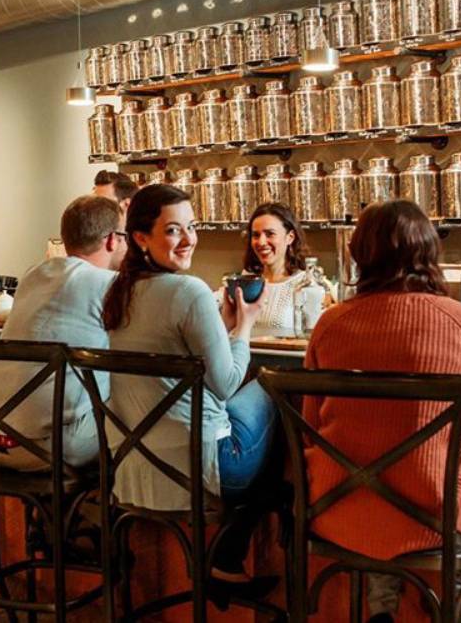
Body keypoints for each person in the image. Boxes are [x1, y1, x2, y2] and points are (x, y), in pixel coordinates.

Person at [301, 200, 461, 622]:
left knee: (371, 473)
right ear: (430, 251)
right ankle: (451, 598)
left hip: (335, 512)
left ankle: (381, 609)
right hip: (433, 520)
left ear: (360, 254)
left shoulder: (330, 324)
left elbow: (310, 425)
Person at [102, 184, 280, 606]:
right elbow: (226, 382)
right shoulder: (189, 292)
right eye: (173, 231)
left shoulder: (117, 291)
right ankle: (233, 550)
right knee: (275, 388)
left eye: (192, 227)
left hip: (133, 471)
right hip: (201, 473)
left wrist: (222, 329)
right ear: (141, 238)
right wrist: (244, 327)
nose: (189, 239)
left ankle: (233, 553)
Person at [0, 195, 125, 470]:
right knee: (138, 400)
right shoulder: (112, 285)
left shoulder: (34, 275)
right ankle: (106, 507)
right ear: (112, 240)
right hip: (48, 447)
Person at [218, 203, 318, 338]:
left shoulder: (305, 286)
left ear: (290, 237)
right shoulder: (242, 281)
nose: (261, 242)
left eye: (270, 234)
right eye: (256, 235)